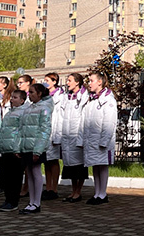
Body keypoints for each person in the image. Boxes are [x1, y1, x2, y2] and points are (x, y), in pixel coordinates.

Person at [82, 71, 117, 205]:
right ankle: (97, 193)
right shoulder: (92, 100)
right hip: (92, 140)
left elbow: (109, 122)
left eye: (91, 80)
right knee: (95, 166)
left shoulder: (108, 100)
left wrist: (104, 141)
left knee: (102, 166)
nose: (89, 83)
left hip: (102, 141)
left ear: (100, 82)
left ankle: (103, 194)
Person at [19, 83, 52, 214]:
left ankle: (36, 202)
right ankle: (31, 201)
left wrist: (38, 149)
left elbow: (44, 130)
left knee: (36, 172)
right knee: (29, 174)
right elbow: (23, 129)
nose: (29, 95)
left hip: (36, 147)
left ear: (39, 94)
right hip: (27, 146)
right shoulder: (28, 108)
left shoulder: (44, 109)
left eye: (32, 92)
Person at [0, 90, 28, 212]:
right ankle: (7, 200)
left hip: (15, 150)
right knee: (6, 177)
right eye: (12, 97)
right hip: (6, 148)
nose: (12, 99)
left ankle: (13, 201)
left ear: (22, 100)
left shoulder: (23, 113)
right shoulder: (9, 113)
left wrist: (17, 148)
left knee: (15, 177)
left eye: (15, 97)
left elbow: (21, 131)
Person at [60, 73, 88, 202]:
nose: (67, 82)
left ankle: (78, 192)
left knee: (79, 166)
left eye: (69, 80)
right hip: (67, 135)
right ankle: (73, 191)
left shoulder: (84, 96)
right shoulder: (67, 96)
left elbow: (84, 117)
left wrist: (81, 137)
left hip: (77, 134)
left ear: (77, 82)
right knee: (70, 165)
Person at [43, 72, 64, 200]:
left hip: (54, 130)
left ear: (54, 82)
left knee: (53, 160)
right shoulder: (45, 96)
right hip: (45, 131)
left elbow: (59, 116)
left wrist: (58, 134)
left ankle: (54, 188)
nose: (45, 82)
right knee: (46, 160)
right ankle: (48, 187)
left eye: (47, 80)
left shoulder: (60, 97)